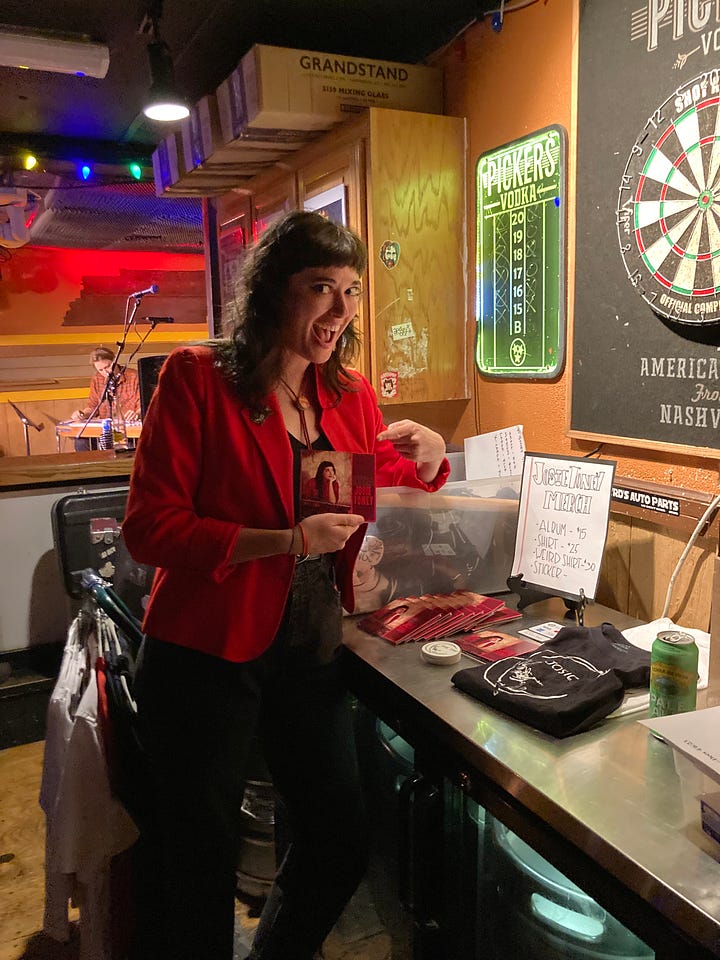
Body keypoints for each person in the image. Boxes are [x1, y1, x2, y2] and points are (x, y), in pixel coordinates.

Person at [121, 210, 449, 960]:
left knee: (338, 839)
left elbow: (372, 484)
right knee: (199, 865)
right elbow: (151, 527)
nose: (339, 310)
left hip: (307, 643)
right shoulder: (198, 378)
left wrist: (432, 457)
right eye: (320, 288)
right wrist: (284, 542)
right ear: (274, 292)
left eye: (351, 291)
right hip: (205, 649)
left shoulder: (350, 395)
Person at [70, 346, 141, 450]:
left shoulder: (134, 376)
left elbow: (144, 406)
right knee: (81, 442)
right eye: (101, 370)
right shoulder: (97, 379)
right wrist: (82, 414)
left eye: (108, 367)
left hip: (127, 432)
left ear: (115, 361)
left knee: (126, 446)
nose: (106, 372)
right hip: (106, 431)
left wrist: (137, 413)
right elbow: (93, 406)